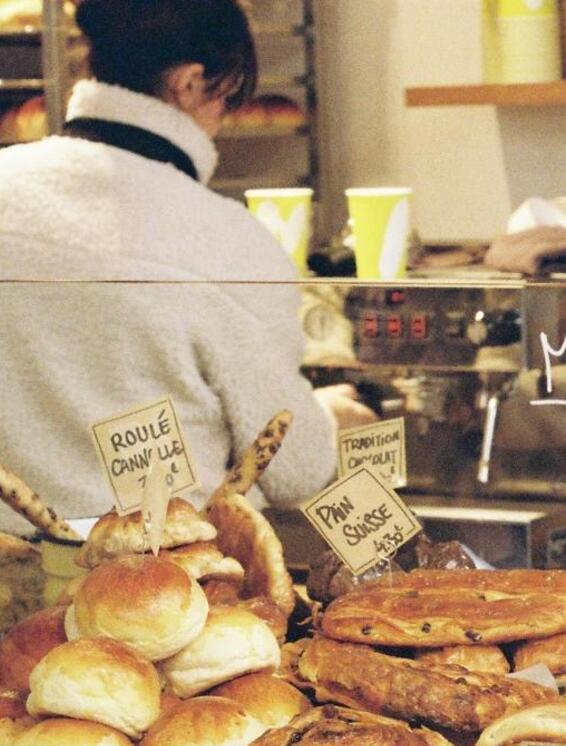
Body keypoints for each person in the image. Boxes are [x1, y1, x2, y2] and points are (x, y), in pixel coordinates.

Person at [0, 0, 373, 534]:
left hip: (10, 583)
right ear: (191, 84)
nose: (225, 119)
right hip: (165, 588)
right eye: (230, 95)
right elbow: (297, 471)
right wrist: (328, 417)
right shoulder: (229, 240)